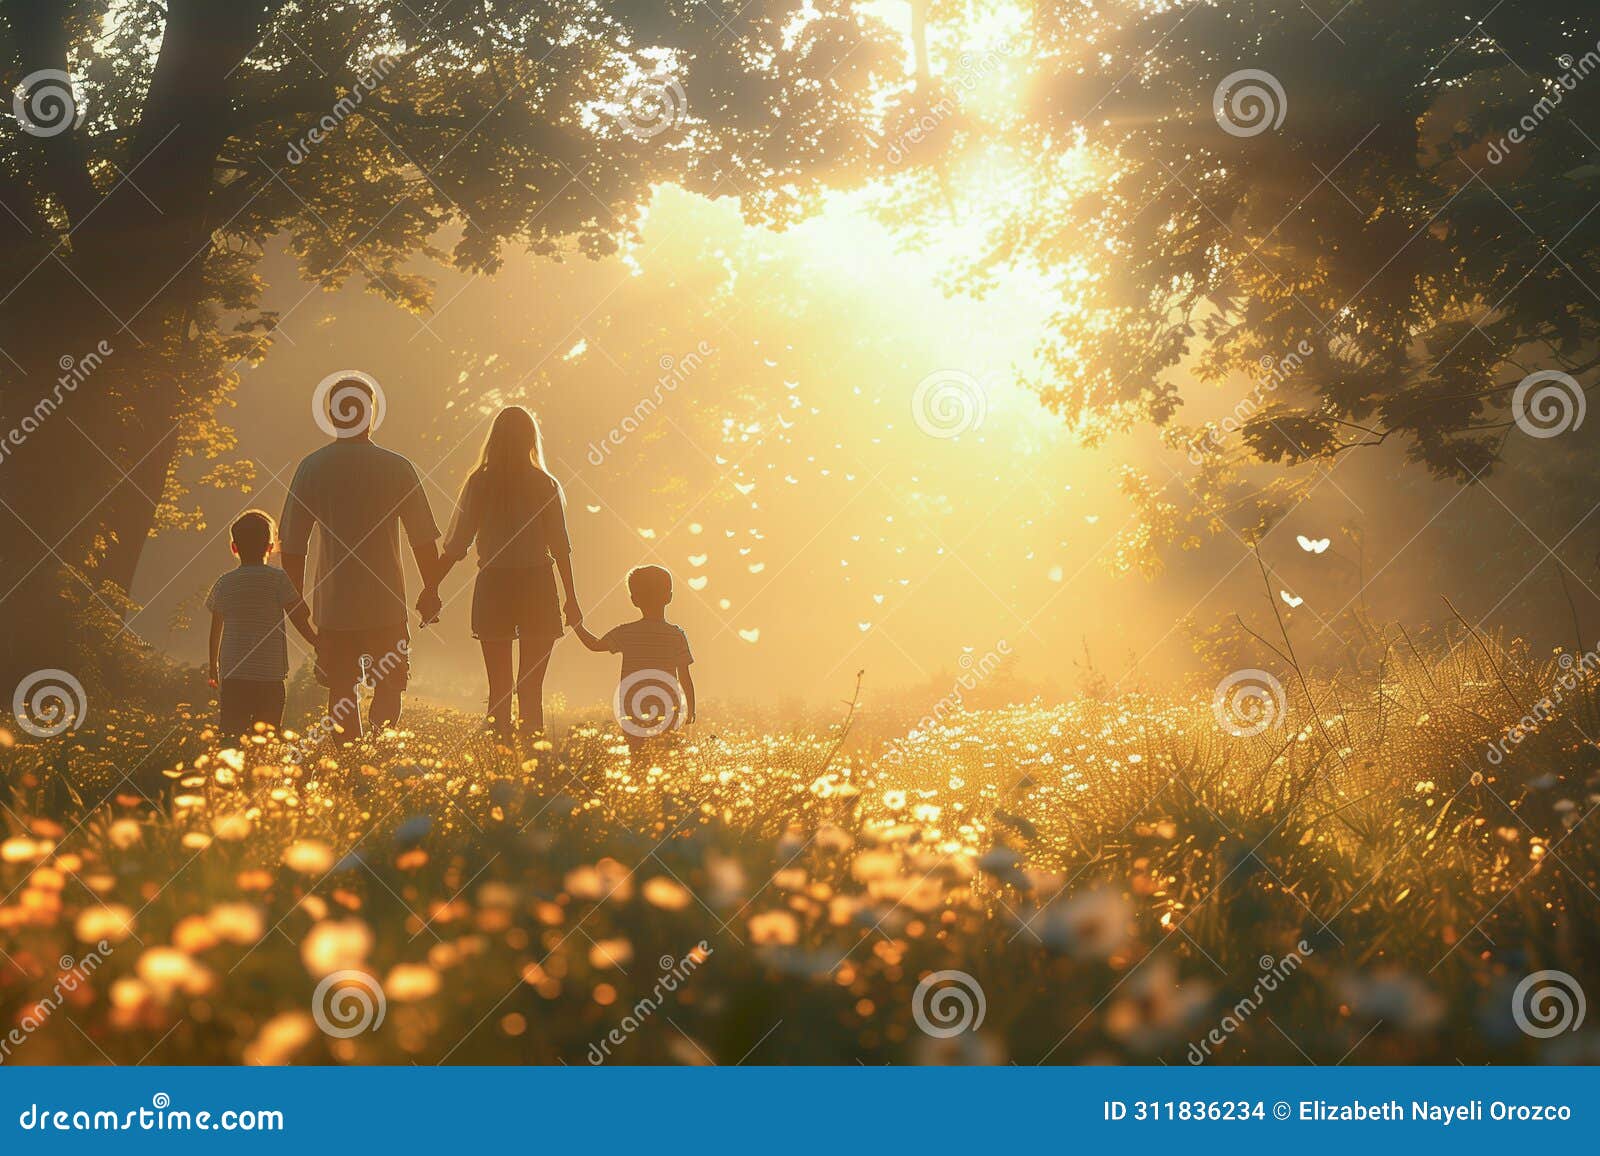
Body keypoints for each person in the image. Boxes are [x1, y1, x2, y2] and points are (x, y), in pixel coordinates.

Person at [280, 375, 442, 741]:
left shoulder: (312, 468)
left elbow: (292, 546)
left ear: (331, 414)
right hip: (386, 603)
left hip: (334, 605)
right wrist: (431, 590)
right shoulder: (397, 467)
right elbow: (422, 539)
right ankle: (378, 745)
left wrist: (297, 604)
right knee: (390, 684)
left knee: (341, 689)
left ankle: (351, 759)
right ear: (372, 413)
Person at [426, 406, 581, 740]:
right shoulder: (545, 484)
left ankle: (502, 761)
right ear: (530, 439)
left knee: (499, 687)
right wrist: (571, 598)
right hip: (538, 584)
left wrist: (431, 587)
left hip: (494, 585)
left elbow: (456, 545)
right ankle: (529, 762)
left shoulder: (481, 483)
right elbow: (560, 546)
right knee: (531, 689)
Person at [206, 510, 318, 739]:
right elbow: (298, 616)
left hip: (234, 674)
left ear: (234, 548)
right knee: (267, 735)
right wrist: (317, 642)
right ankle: (262, 772)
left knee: (231, 732)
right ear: (270, 547)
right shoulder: (278, 579)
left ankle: (229, 771)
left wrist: (213, 666)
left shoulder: (224, 583)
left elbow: (215, 630)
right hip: (270, 676)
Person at [572, 564, 695, 760]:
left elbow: (594, 645)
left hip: (632, 706)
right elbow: (685, 677)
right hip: (668, 707)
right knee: (665, 757)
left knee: (636, 756)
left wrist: (577, 625)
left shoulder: (625, 633)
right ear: (669, 596)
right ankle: (662, 790)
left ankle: (639, 784)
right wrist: (691, 708)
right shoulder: (676, 635)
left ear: (634, 600)